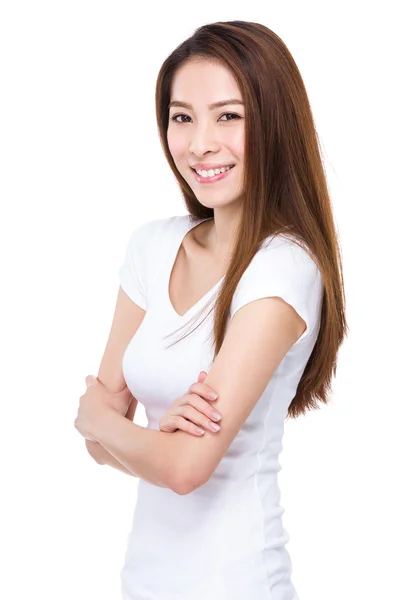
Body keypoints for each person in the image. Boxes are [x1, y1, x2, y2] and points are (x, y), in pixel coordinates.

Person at [74, 19, 348, 600]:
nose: (200, 143)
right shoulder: (152, 247)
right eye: (182, 117)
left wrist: (103, 420)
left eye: (229, 116)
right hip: (143, 582)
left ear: (274, 123)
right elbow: (105, 451)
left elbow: (183, 467)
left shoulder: (284, 267)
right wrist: (139, 438)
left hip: (238, 582)